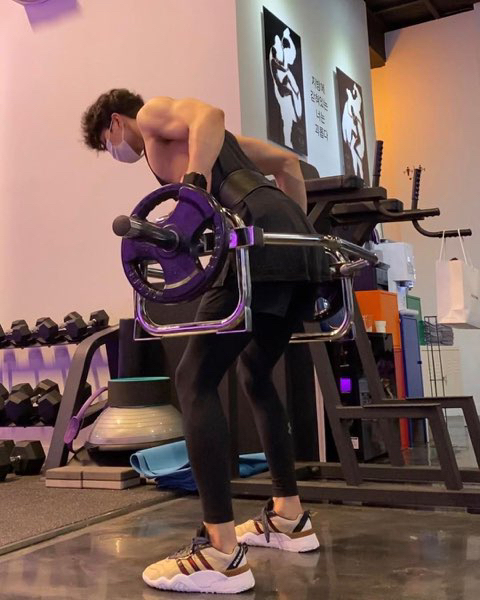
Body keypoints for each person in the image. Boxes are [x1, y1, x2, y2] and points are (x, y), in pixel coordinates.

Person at [81, 89, 326, 594]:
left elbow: (208, 112)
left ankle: (220, 551)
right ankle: (289, 516)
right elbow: (287, 165)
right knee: (255, 372)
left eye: (107, 144)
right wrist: (294, 235)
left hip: (254, 240)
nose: (115, 152)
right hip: (296, 244)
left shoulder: (150, 117)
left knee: (193, 379)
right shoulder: (221, 144)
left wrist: (192, 188)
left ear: (115, 123)